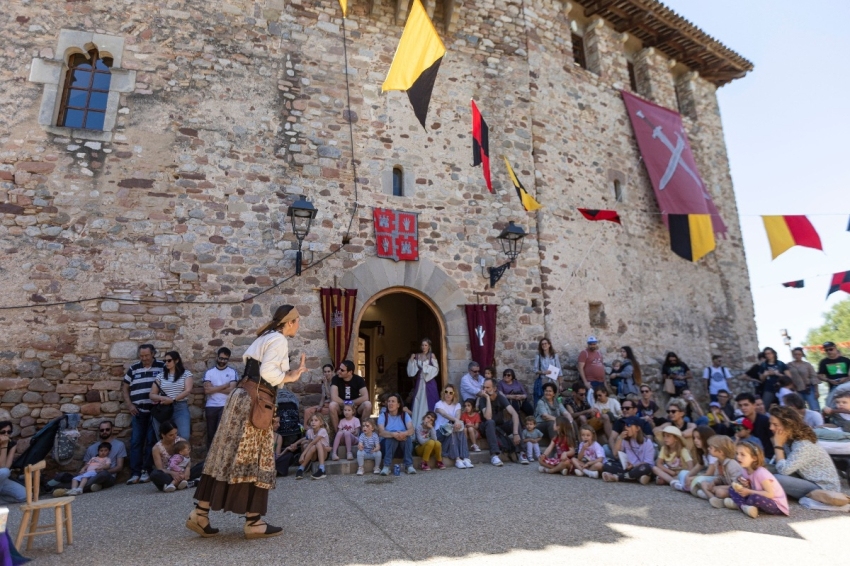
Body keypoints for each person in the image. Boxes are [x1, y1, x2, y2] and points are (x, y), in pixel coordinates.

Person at [188, 304, 308, 540]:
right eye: (298, 321)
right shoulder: (279, 340)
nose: (299, 325)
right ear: (290, 322)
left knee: (226, 453)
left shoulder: (266, 337)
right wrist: (291, 376)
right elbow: (270, 374)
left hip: (241, 398)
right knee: (255, 456)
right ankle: (254, 521)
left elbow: (258, 369)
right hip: (255, 402)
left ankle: (200, 513)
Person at [770, 406, 849, 508]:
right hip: (807, 478)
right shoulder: (789, 439)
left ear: (788, 426)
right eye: (770, 424)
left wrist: (778, 445)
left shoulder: (803, 444)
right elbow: (781, 465)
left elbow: (784, 471)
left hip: (823, 487)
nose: (771, 428)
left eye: (775, 424)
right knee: (765, 468)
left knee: (776, 478)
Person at [123, 343, 164, 485]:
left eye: (146, 355)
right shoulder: (134, 368)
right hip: (137, 410)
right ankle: (135, 473)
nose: (144, 358)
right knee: (135, 442)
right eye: (141, 356)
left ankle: (146, 470)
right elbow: (125, 387)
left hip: (154, 411)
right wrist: (129, 404)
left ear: (153, 354)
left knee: (151, 441)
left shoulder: (162, 366)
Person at [55, 420, 126, 496]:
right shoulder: (91, 448)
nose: (104, 431)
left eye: (107, 429)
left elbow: (119, 467)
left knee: (103, 474)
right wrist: (83, 471)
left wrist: (101, 471)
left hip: (107, 476)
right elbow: (87, 466)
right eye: (102, 430)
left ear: (112, 430)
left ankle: (70, 489)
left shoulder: (119, 445)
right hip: (89, 475)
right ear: (99, 431)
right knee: (67, 476)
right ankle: (89, 487)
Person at [726, 442, 789, 518]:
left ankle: (739, 505)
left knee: (755, 497)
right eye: (737, 453)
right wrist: (746, 485)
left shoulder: (761, 473)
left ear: (754, 458)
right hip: (758, 496)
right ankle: (744, 506)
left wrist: (749, 491)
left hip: (776, 504)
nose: (738, 457)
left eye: (742, 454)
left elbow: (770, 494)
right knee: (732, 488)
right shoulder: (744, 470)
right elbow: (753, 487)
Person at [150, 350, 193, 441]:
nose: (166, 363)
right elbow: (152, 394)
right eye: (165, 361)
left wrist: (173, 399)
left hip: (180, 407)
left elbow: (188, 390)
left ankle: (179, 455)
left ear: (176, 360)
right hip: (164, 408)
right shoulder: (161, 376)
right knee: (163, 438)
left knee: (184, 436)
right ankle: (166, 455)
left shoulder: (186, 374)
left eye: (169, 360)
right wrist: (163, 398)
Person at [478, 378, 521, 467]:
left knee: (514, 421)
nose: (485, 390)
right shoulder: (482, 399)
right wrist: (488, 399)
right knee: (490, 422)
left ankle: (521, 452)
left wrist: (516, 433)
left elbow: (514, 413)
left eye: (488, 387)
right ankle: (494, 455)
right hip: (486, 428)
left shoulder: (500, 397)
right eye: (484, 387)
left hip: (499, 427)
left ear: (494, 389)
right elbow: (488, 417)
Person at [601, 416, 654, 484]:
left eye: (629, 425)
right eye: (625, 425)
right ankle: (636, 477)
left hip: (640, 467)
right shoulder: (626, 440)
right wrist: (620, 438)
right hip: (628, 468)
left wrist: (634, 466)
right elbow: (615, 454)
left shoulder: (647, 442)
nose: (626, 427)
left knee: (646, 468)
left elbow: (648, 462)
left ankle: (617, 477)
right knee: (607, 465)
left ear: (637, 428)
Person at [203, 347, 237, 448]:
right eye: (221, 358)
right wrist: (224, 386)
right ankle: (209, 459)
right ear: (217, 357)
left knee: (221, 433)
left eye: (225, 359)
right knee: (211, 433)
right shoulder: (210, 372)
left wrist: (214, 388)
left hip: (225, 405)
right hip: (211, 406)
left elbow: (232, 391)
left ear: (228, 359)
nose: (222, 361)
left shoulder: (232, 372)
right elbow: (207, 390)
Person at [434, 385, 472, 469]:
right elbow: (444, 414)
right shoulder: (438, 404)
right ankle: (457, 459)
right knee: (453, 428)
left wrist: (457, 422)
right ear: (443, 393)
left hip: (451, 430)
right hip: (439, 432)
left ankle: (465, 458)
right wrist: (456, 421)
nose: (448, 394)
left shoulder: (457, 404)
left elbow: (458, 413)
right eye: (446, 392)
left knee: (459, 428)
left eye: (451, 392)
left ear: (454, 394)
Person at [377, 393, 415, 475]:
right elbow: (381, 432)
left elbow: (411, 430)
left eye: (393, 401)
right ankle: (386, 466)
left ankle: (409, 466)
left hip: (402, 448)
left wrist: (404, 433)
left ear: (398, 405)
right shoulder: (383, 416)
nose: (390, 403)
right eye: (389, 401)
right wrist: (393, 434)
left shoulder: (404, 415)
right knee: (392, 436)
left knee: (407, 437)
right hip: (386, 447)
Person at [330, 360, 372, 433]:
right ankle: (338, 434)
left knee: (368, 404)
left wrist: (351, 404)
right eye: (339, 369)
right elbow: (334, 397)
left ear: (350, 372)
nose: (339, 371)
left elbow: (365, 397)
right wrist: (346, 404)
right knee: (332, 405)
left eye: (342, 370)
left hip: (355, 408)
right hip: (342, 408)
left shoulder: (358, 379)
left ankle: (362, 433)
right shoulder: (335, 379)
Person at [408, 338, 440, 429]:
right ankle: (418, 425)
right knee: (418, 401)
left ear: (429, 346)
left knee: (430, 401)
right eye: (422, 345)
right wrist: (411, 359)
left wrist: (425, 368)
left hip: (429, 382)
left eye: (425, 345)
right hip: (420, 382)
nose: (424, 347)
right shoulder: (417, 356)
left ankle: (431, 426)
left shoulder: (432, 356)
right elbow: (411, 372)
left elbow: (436, 369)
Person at [703, 435, 745, 505]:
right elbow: (720, 477)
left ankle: (717, 499)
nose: (708, 449)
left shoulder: (732, 464)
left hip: (733, 489)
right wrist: (714, 482)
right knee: (703, 483)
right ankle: (713, 498)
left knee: (720, 492)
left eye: (711, 447)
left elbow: (737, 485)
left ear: (720, 452)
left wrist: (717, 487)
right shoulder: (718, 463)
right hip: (724, 486)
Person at [150, 421, 189, 493]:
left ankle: (174, 484)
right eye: (171, 435)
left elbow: (188, 459)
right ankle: (182, 483)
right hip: (169, 474)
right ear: (163, 435)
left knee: (203, 465)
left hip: (183, 471)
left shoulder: (181, 441)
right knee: (154, 474)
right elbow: (160, 469)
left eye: (176, 433)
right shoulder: (156, 448)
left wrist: (187, 470)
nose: (174, 437)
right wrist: (172, 473)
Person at [675, 426, 716, 493]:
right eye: (694, 438)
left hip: (713, 478)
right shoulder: (703, 454)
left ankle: (686, 487)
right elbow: (696, 469)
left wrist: (692, 478)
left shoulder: (712, 454)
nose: (695, 440)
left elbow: (709, 473)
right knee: (683, 473)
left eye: (699, 438)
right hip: (705, 477)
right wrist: (687, 476)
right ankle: (687, 486)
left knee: (698, 479)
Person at [734, 392, 774, 459]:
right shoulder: (739, 421)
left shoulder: (765, 420)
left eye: (746, 405)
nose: (743, 408)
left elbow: (774, 441)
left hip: (765, 457)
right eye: (740, 406)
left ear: (754, 405)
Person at [296, 414, 331, 480]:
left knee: (317, 443)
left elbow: (313, 442)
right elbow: (310, 444)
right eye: (311, 420)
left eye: (316, 420)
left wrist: (302, 455)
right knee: (312, 447)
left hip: (323, 454)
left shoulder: (322, 430)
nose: (313, 422)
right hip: (314, 455)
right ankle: (301, 468)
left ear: (321, 423)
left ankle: (322, 469)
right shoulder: (309, 432)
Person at [788, 347, 820, 412]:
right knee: (801, 409)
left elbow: (814, 377)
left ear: (802, 355)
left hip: (809, 388)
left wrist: (816, 391)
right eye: (795, 354)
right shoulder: (789, 365)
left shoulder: (807, 365)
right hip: (797, 390)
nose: (797, 356)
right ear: (793, 355)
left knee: (814, 408)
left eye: (799, 354)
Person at [303, 364, 335, 429]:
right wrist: (320, 406)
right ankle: (307, 430)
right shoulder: (323, 385)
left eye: (328, 371)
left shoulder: (334, 383)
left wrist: (326, 384)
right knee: (307, 411)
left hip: (331, 406)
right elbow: (323, 398)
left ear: (332, 372)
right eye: (325, 372)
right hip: (324, 405)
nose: (327, 373)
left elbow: (329, 396)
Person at [532, 338, 562, 406]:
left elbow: (559, 370)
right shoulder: (538, 356)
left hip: (554, 380)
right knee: (545, 398)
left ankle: (555, 413)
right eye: (542, 344)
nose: (544, 345)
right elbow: (534, 370)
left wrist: (560, 384)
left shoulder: (554, 356)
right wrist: (543, 372)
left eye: (545, 343)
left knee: (555, 398)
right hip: (544, 380)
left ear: (549, 345)